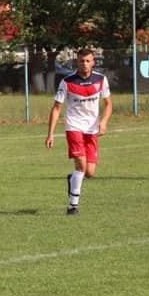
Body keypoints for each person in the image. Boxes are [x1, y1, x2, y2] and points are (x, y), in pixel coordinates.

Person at [45, 48, 112, 215]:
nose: (85, 64)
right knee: (81, 166)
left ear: (93, 62)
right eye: (81, 61)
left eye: (88, 61)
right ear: (77, 62)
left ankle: (73, 178)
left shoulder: (101, 80)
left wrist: (103, 122)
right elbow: (56, 108)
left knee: (89, 172)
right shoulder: (67, 82)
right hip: (74, 127)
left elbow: (108, 104)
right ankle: (72, 206)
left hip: (92, 130)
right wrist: (50, 134)